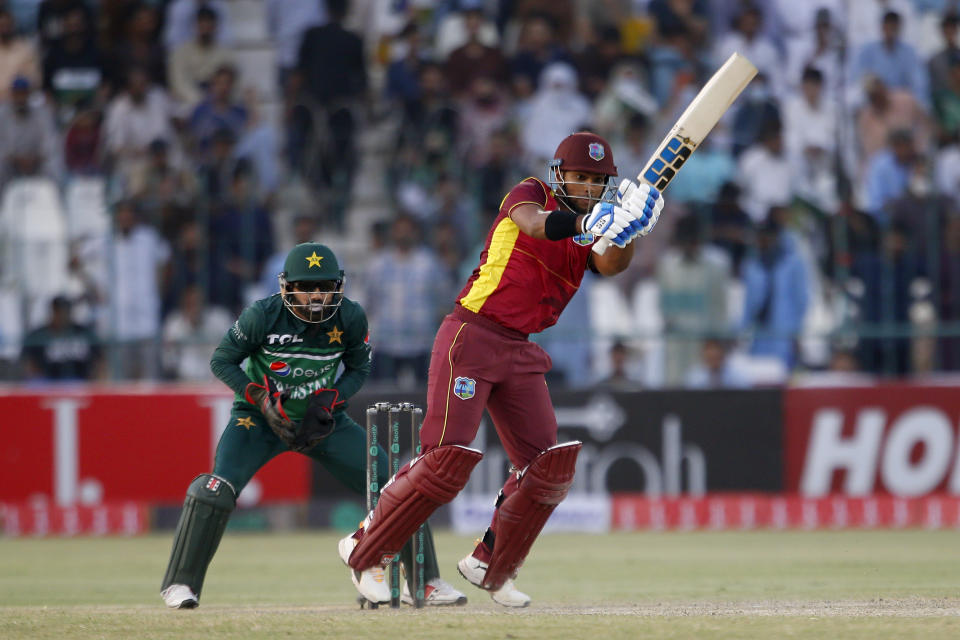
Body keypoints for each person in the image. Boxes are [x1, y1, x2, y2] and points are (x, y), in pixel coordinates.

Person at [337, 131, 664, 607]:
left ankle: (491, 563)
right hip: (473, 334)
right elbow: (534, 226)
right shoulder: (531, 192)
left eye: (598, 181)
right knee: (445, 460)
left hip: (519, 348)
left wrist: (630, 231)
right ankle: (366, 549)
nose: (590, 187)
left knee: (546, 468)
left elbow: (610, 264)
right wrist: (593, 217)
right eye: (581, 177)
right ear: (560, 175)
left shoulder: (594, 227)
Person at [160, 243, 466, 609]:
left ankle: (425, 583)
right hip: (257, 419)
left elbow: (359, 368)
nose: (317, 295)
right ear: (287, 287)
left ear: (338, 286)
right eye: (307, 286)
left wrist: (330, 399)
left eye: (324, 286)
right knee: (215, 490)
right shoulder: (262, 314)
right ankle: (181, 585)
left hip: (322, 421)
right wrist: (258, 397)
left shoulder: (350, 317)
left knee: (398, 486)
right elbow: (222, 360)